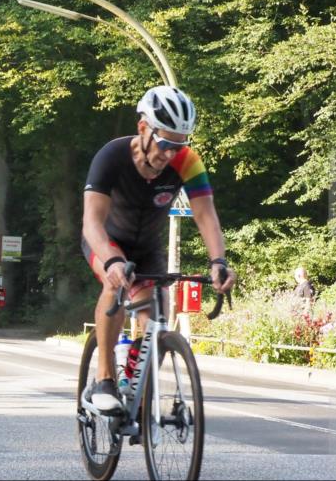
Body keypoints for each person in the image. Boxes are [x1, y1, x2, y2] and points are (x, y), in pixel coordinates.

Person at [81, 85, 236, 412]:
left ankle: (138, 379)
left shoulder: (186, 161)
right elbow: (91, 223)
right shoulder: (111, 157)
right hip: (106, 243)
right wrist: (111, 261)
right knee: (117, 286)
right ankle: (105, 377)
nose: (170, 153)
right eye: (165, 143)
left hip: (148, 247)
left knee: (157, 316)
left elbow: (205, 214)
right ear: (143, 128)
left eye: (179, 145)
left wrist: (218, 261)